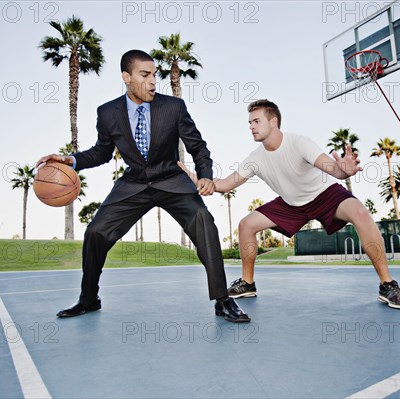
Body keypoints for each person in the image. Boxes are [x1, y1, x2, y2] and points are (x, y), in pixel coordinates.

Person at [36, 50, 250, 323]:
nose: (152, 82)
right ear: (127, 77)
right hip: (134, 183)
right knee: (96, 232)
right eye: (145, 75)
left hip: (171, 180)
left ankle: (222, 299)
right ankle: (89, 298)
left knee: (203, 220)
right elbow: (101, 152)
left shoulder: (173, 107)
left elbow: (198, 146)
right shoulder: (107, 112)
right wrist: (71, 160)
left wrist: (205, 175)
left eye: (154, 75)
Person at [180, 99, 400, 310]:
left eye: (256, 121)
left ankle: (387, 285)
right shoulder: (255, 158)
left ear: (274, 122)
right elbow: (225, 184)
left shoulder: (299, 143)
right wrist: (202, 181)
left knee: (360, 212)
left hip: (324, 195)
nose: (251, 126)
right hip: (290, 204)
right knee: (246, 225)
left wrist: (344, 170)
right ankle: (247, 283)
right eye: (249, 122)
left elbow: (333, 170)